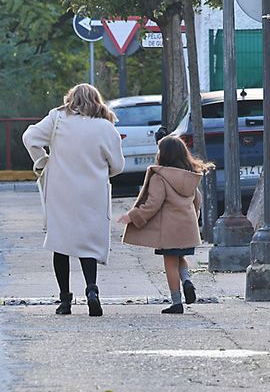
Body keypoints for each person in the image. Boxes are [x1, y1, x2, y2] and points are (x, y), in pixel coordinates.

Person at [22, 83, 124, 316]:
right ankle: (92, 290)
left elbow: (30, 137)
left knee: (61, 243)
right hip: (93, 193)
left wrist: (43, 161)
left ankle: (65, 300)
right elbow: (118, 166)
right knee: (88, 242)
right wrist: (99, 170)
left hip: (61, 191)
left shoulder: (58, 118)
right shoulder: (106, 127)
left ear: (71, 100)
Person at [119, 135, 210, 314]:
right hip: (187, 227)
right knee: (180, 257)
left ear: (163, 155)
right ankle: (187, 281)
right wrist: (194, 218)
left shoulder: (160, 177)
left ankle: (177, 302)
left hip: (169, 230)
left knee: (170, 262)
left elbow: (153, 203)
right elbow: (197, 201)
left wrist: (133, 216)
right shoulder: (191, 175)